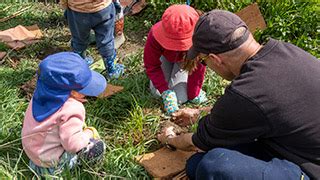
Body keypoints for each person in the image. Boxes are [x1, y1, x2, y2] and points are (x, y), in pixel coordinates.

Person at [157, 10, 320, 179]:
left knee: (211, 167)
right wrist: (199, 113)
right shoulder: (285, 49)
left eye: (204, 61)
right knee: (196, 164)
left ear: (215, 59)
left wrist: (169, 138)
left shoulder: (245, 92)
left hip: (311, 168)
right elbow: (265, 106)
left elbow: (197, 142)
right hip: (298, 143)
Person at [22, 52, 107, 176]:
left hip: (33, 156)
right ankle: (75, 168)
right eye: (83, 89)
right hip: (51, 165)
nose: (87, 93)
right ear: (72, 92)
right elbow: (73, 145)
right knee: (97, 146)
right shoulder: (72, 108)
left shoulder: (40, 94)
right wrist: (88, 133)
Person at [143, 4, 207, 115]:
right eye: (173, 43)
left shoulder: (200, 38)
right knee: (156, 92)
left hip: (185, 59)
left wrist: (194, 93)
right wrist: (165, 91)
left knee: (181, 98)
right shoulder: (154, 35)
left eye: (181, 44)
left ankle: (179, 71)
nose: (177, 47)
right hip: (166, 57)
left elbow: (198, 68)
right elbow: (151, 65)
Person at [60, 0, 124, 79]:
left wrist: (65, 4)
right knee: (106, 41)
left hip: (77, 11)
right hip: (103, 9)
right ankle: (112, 71)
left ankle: (80, 65)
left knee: (79, 40)